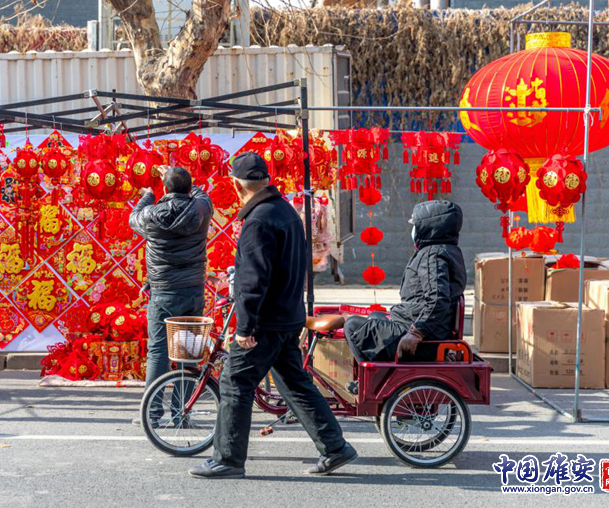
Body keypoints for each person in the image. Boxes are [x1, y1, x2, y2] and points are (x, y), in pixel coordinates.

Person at [189, 152, 356, 480]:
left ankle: (228, 459)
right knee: (294, 383)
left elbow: (253, 279)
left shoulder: (259, 220)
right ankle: (335, 447)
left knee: (235, 382)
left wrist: (246, 326)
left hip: (266, 322)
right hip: (287, 316)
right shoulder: (285, 212)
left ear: (238, 186)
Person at [129, 166, 213, 423]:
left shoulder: (152, 215)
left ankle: (152, 414)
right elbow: (203, 196)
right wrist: (185, 184)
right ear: (189, 189)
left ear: (165, 189)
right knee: (189, 352)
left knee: (158, 351)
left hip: (163, 291)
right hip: (192, 291)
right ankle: (181, 412)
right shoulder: (200, 209)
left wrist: (147, 194)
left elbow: (134, 217)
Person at [344, 200, 467, 364]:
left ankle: (371, 380)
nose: (413, 229)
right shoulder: (446, 250)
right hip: (429, 329)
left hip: (424, 340)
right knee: (375, 316)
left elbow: (437, 299)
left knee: (352, 325)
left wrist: (416, 333)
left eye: (416, 225)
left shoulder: (433, 255)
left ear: (429, 226)